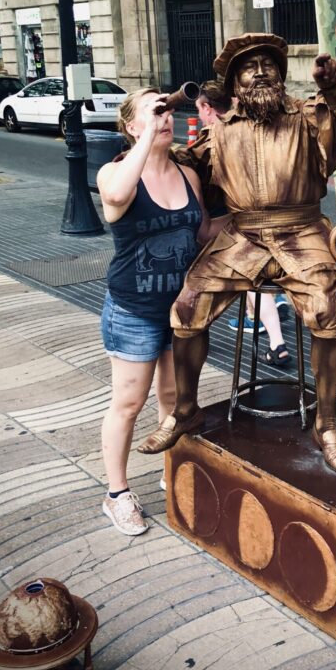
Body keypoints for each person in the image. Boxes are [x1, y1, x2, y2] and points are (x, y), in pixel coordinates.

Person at [136, 33, 336, 474]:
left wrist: (334, 87)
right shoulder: (220, 132)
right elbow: (180, 165)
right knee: (186, 308)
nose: (259, 70)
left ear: (281, 74)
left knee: (325, 310)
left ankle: (328, 422)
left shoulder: (308, 115)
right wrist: (150, 134)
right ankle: (186, 409)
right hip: (242, 236)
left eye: (267, 64)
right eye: (248, 66)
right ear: (235, 82)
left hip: (301, 230)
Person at [96, 87, 212, 536]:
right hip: (133, 310)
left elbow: (201, 232)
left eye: (168, 112)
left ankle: (172, 473)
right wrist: (145, 139)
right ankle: (117, 494)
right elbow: (117, 199)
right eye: (153, 112)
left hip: (179, 312)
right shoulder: (113, 172)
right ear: (131, 126)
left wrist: (258, 221)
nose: (166, 118)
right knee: (128, 402)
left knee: (173, 400)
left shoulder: (187, 176)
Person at [195, 81, 291, 369]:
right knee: (253, 282)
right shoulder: (253, 132)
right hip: (272, 225)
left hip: (238, 227)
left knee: (247, 277)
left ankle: (275, 338)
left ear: (207, 108)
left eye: (199, 109)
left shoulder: (215, 138)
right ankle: (260, 318)